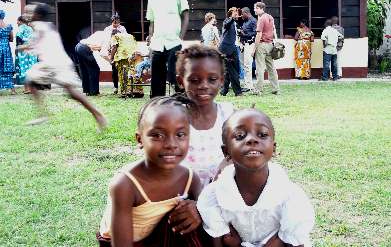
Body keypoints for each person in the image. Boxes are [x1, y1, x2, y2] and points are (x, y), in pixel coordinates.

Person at [97, 96, 208, 247]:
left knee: (192, 218)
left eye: (180, 135)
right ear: (140, 139)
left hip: (161, 235)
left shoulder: (190, 178)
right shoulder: (125, 185)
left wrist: (198, 209)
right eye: (157, 135)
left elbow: (210, 212)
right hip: (124, 241)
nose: (171, 144)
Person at [197, 108, 315, 247]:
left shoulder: (290, 195)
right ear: (226, 151)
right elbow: (218, 241)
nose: (252, 139)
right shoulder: (213, 196)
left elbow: (296, 240)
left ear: (274, 148)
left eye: (262, 134)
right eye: (240, 135)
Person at [23, 3, 107, 130]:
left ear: (38, 15)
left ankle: (42, 114)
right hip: (60, 62)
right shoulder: (49, 25)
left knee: (29, 79)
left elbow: (33, 42)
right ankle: (98, 114)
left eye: (30, 13)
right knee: (72, 93)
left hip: (52, 63)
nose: (27, 15)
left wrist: (22, 47)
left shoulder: (39, 25)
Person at [176, 45, 235, 187]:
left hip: (222, 193)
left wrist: (226, 165)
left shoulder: (229, 115)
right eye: (194, 80)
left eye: (212, 79)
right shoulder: (174, 117)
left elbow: (240, 153)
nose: (204, 85)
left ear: (221, 80)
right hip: (182, 196)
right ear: (181, 82)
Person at [147, 0, 189, 98]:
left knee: (173, 76)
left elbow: (185, 16)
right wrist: (150, 41)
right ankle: (157, 104)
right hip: (157, 43)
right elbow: (151, 22)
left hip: (173, 42)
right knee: (156, 78)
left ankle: (182, 101)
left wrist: (180, 38)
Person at [253, 2, 279, 95]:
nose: (254, 10)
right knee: (271, 67)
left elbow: (259, 34)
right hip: (270, 44)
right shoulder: (270, 17)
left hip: (262, 44)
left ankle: (258, 89)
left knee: (260, 68)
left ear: (260, 8)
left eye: (255, 8)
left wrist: (254, 49)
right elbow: (274, 30)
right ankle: (275, 88)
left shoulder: (261, 19)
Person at [75, 31, 111, 96]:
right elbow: (103, 54)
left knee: (85, 70)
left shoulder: (100, 33)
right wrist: (111, 61)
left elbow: (97, 47)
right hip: (84, 48)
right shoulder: (108, 38)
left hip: (78, 46)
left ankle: (87, 90)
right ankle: (94, 92)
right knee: (95, 69)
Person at [110, 30, 144, 98]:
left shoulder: (115, 36)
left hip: (123, 56)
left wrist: (111, 58)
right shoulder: (130, 35)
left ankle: (125, 92)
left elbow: (114, 47)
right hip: (135, 55)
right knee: (134, 73)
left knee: (123, 74)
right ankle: (138, 91)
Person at [219, 7, 242, 97]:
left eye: (237, 12)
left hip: (233, 48)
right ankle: (238, 92)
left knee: (230, 71)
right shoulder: (227, 21)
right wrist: (232, 18)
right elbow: (227, 25)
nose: (237, 14)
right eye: (235, 12)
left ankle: (224, 91)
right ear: (230, 14)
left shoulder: (235, 24)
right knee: (233, 71)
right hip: (226, 49)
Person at [104, 14, 127, 94]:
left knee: (123, 69)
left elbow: (125, 38)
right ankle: (115, 87)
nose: (117, 24)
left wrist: (119, 32)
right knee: (114, 70)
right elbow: (106, 40)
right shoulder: (107, 29)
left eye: (118, 23)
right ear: (112, 22)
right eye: (115, 23)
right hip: (112, 50)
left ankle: (123, 87)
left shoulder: (123, 28)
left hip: (121, 51)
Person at [14, 15, 37, 93]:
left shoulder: (21, 28)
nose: (16, 22)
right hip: (32, 50)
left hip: (23, 50)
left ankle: (27, 89)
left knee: (23, 68)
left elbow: (18, 38)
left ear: (20, 21)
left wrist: (17, 49)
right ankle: (31, 88)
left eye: (17, 21)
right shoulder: (30, 28)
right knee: (31, 68)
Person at [238, 7, 257, 91]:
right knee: (243, 65)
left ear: (246, 13)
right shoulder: (245, 21)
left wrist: (243, 34)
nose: (241, 16)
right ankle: (246, 84)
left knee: (248, 65)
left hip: (250, 44)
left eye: (242, 14)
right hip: (243, 45)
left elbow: (255, 33)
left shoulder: (253, 21)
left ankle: (249, 86)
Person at [0, 9, 16, 94]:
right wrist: (5, 39)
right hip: (6, 48)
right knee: (7, 66)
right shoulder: (9, 26)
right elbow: (12, 39)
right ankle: (12, 90)